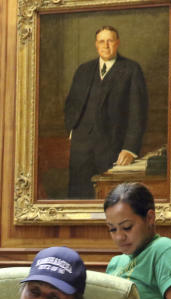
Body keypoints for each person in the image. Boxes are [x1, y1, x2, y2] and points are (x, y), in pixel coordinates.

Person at [64, 26, 148, 199]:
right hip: (81, 149)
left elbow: (138, 112)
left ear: (117, 43)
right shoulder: (83, 70)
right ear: (96, 44)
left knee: (112, 200)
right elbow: (71, 103)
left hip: (112, 147)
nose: (106, 45)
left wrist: (130, 149)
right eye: (102, 41)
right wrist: (73, 131)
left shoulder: (131, 70)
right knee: (78, 198)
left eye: (110, 41)